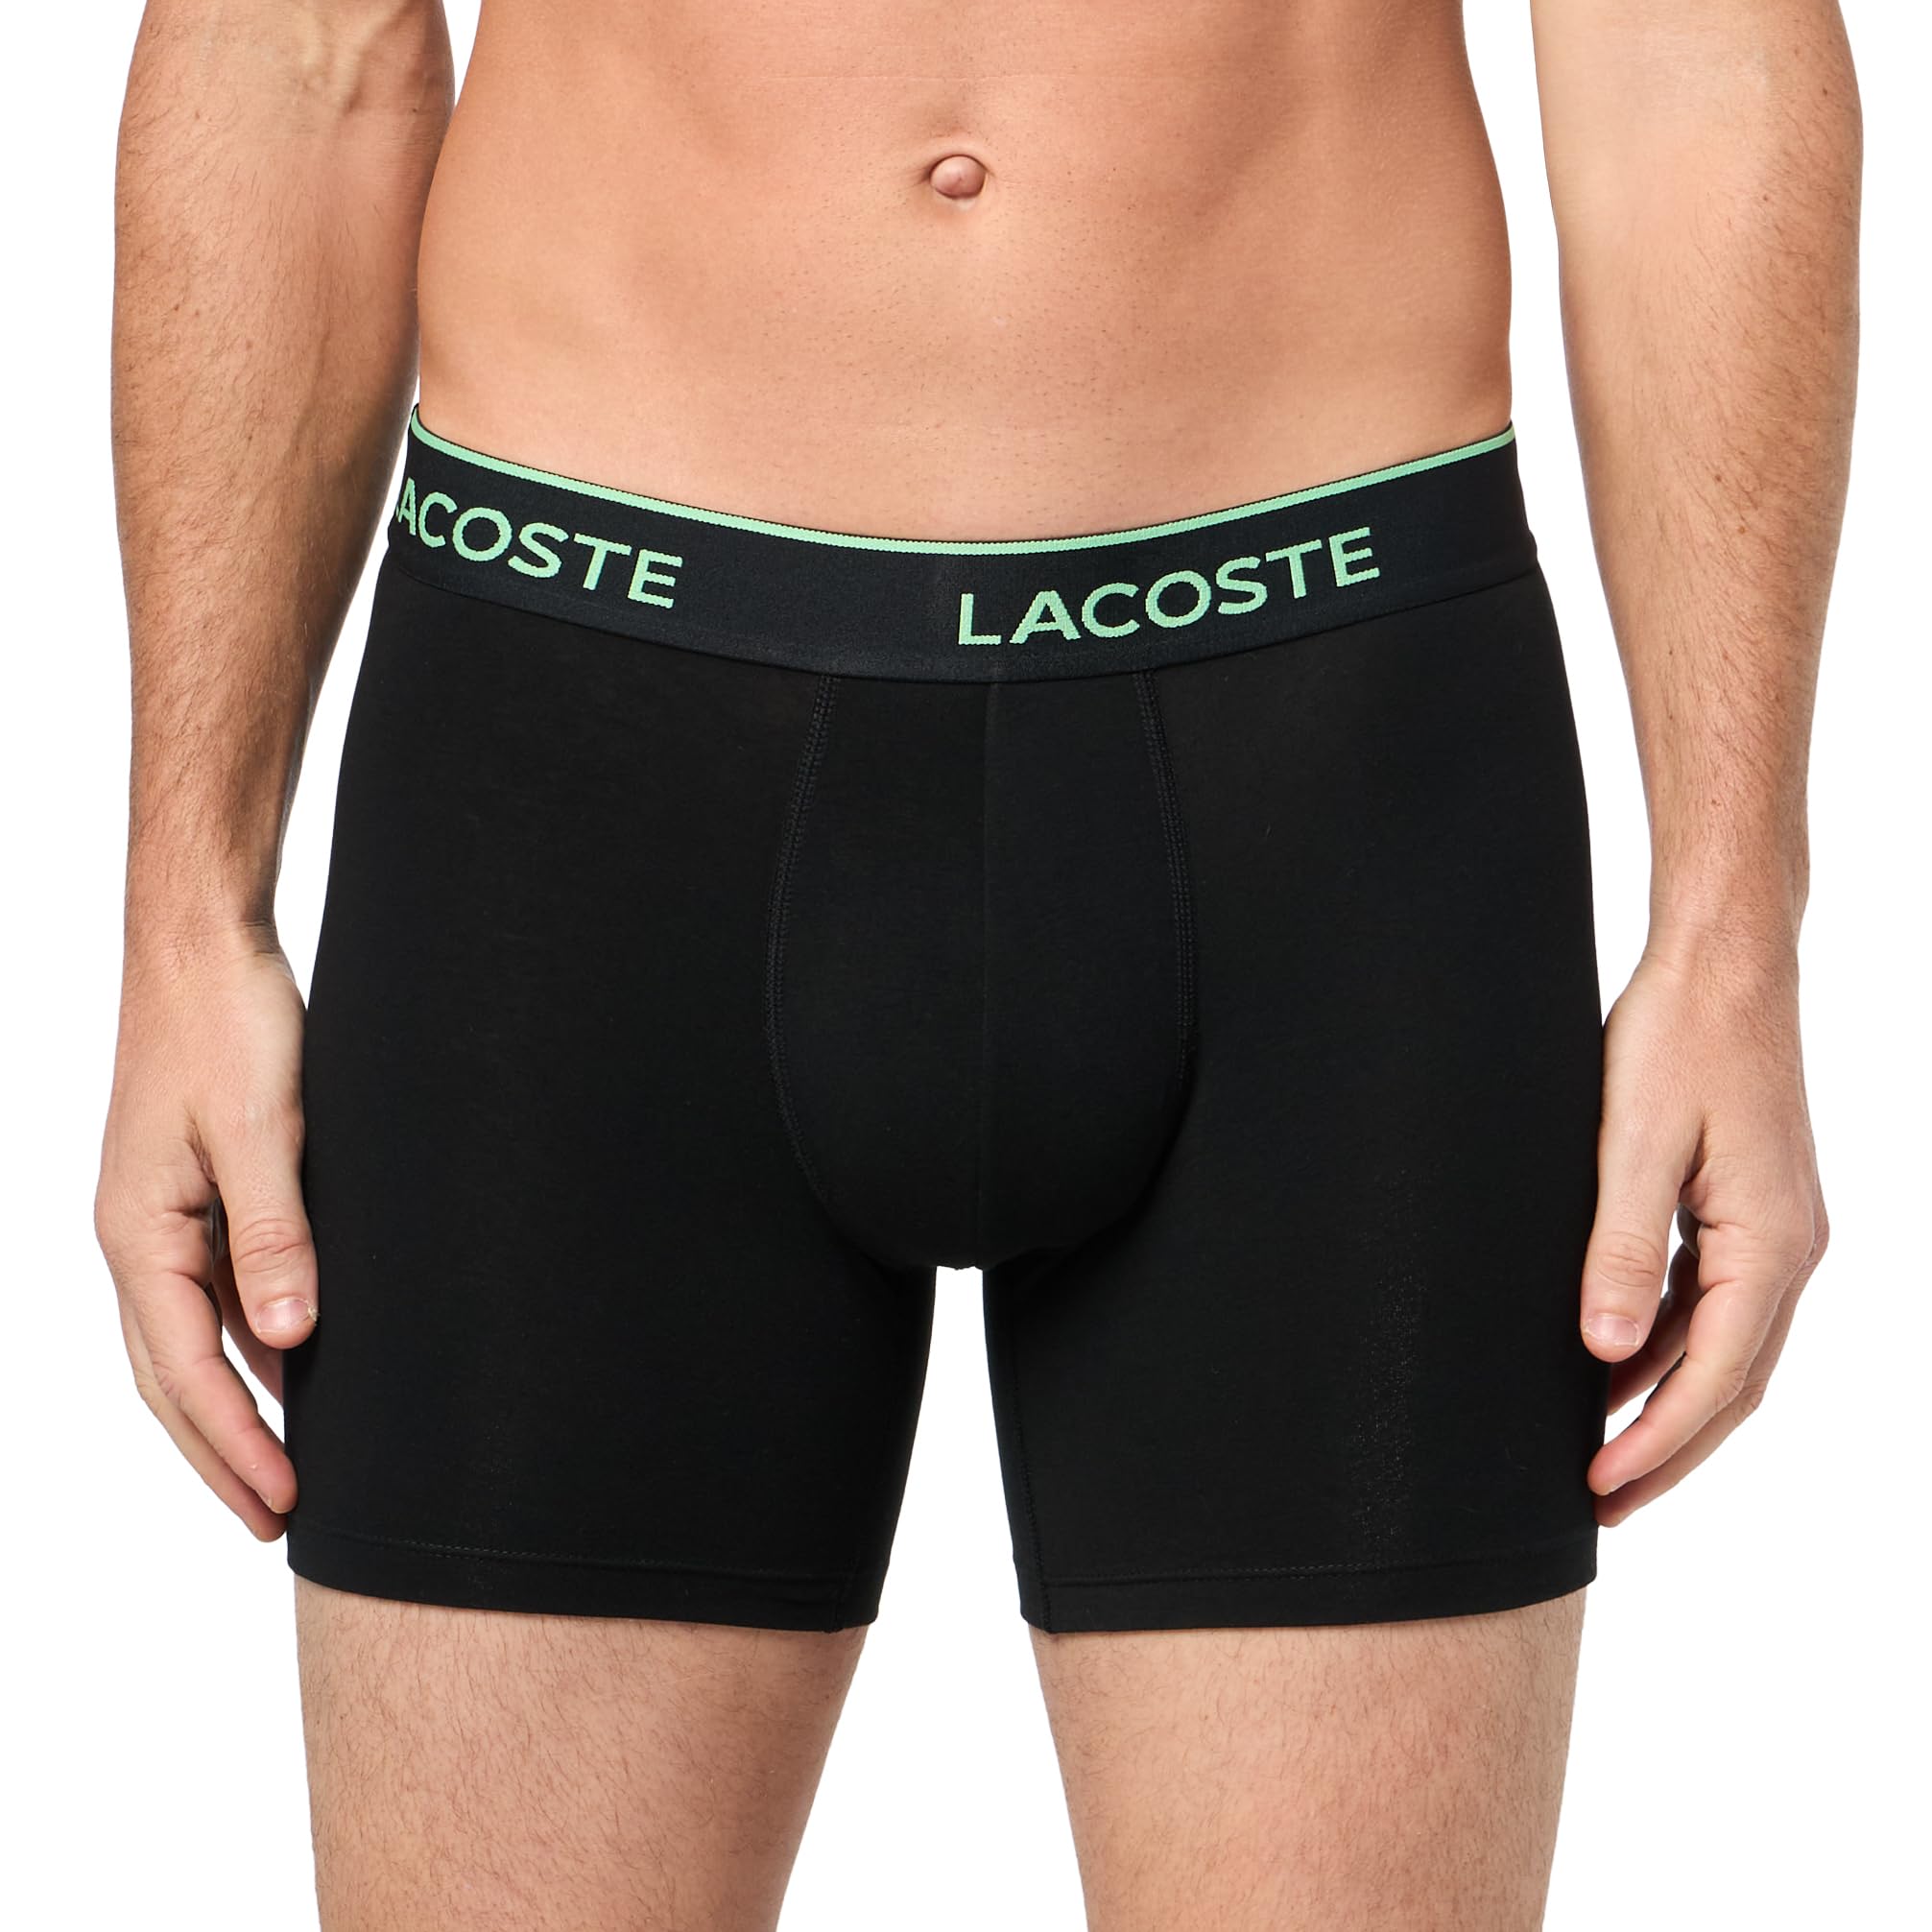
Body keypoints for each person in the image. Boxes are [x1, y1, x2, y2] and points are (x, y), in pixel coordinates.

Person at [94, 1, 1853, 1925]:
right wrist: (187, 912)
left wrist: (1730, 931)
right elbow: (295, 48)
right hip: (576, 784)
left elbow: (1687, 51)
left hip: (1333, 769)